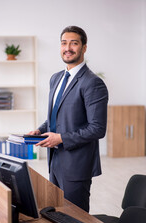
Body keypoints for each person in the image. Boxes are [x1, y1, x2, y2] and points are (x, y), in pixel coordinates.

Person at [29, 26, 108, 212]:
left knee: (75, 218)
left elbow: (97, 128)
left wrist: (61, 138)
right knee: (56, 214)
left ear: (84, 48)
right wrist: (40, 130)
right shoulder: (56, 78)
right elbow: (55, 117)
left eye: (74, 43)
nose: (68, 48)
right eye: (64, 43)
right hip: (55, 160)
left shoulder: (92, 83)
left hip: (76, 165)